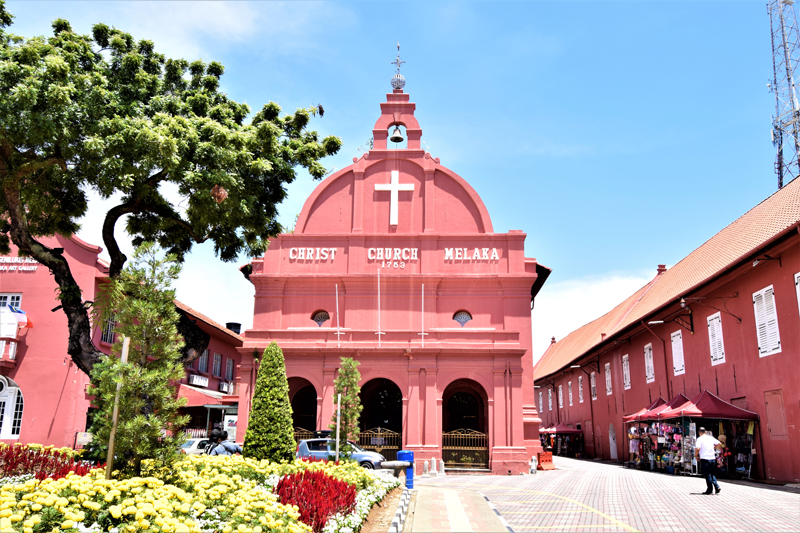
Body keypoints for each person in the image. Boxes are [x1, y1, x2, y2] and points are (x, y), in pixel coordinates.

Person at [695, 427, 721, 495]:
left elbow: (697, 448)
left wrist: (696, 456)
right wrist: (714, 447)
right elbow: (719, 443)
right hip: (712, 458)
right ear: (705, 432)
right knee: (711, 473)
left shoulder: (699, 439)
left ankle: (709, 490)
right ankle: (717, 486)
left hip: (705, 458)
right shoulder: (710, 438)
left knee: (707, 474)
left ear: (699, 432)